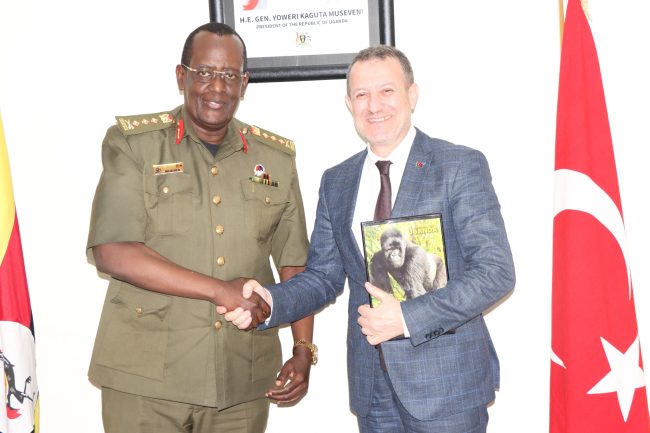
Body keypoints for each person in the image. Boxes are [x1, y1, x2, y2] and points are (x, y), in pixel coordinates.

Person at [223, 45, 515, 433]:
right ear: (349, 103)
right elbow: (323, 277)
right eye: (361, 94)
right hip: (372, 389)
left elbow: (495, 272)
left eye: (387, 91)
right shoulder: (337, 181)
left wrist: (407, 319)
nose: (374, 105)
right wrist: (269, 300)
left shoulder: (459, 166)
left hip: (446, 388)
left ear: (412, 94)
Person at [86, 22, 316, 433]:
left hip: (242, 377)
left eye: (229, 75)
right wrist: (219, 289)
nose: (217, 87)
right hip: (146, 378)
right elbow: (113, 251)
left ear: (244, 84)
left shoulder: (275, 159)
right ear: (182, 76)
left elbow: (294, 262)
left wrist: (302, 348)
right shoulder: (134, 144)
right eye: (205, 72)